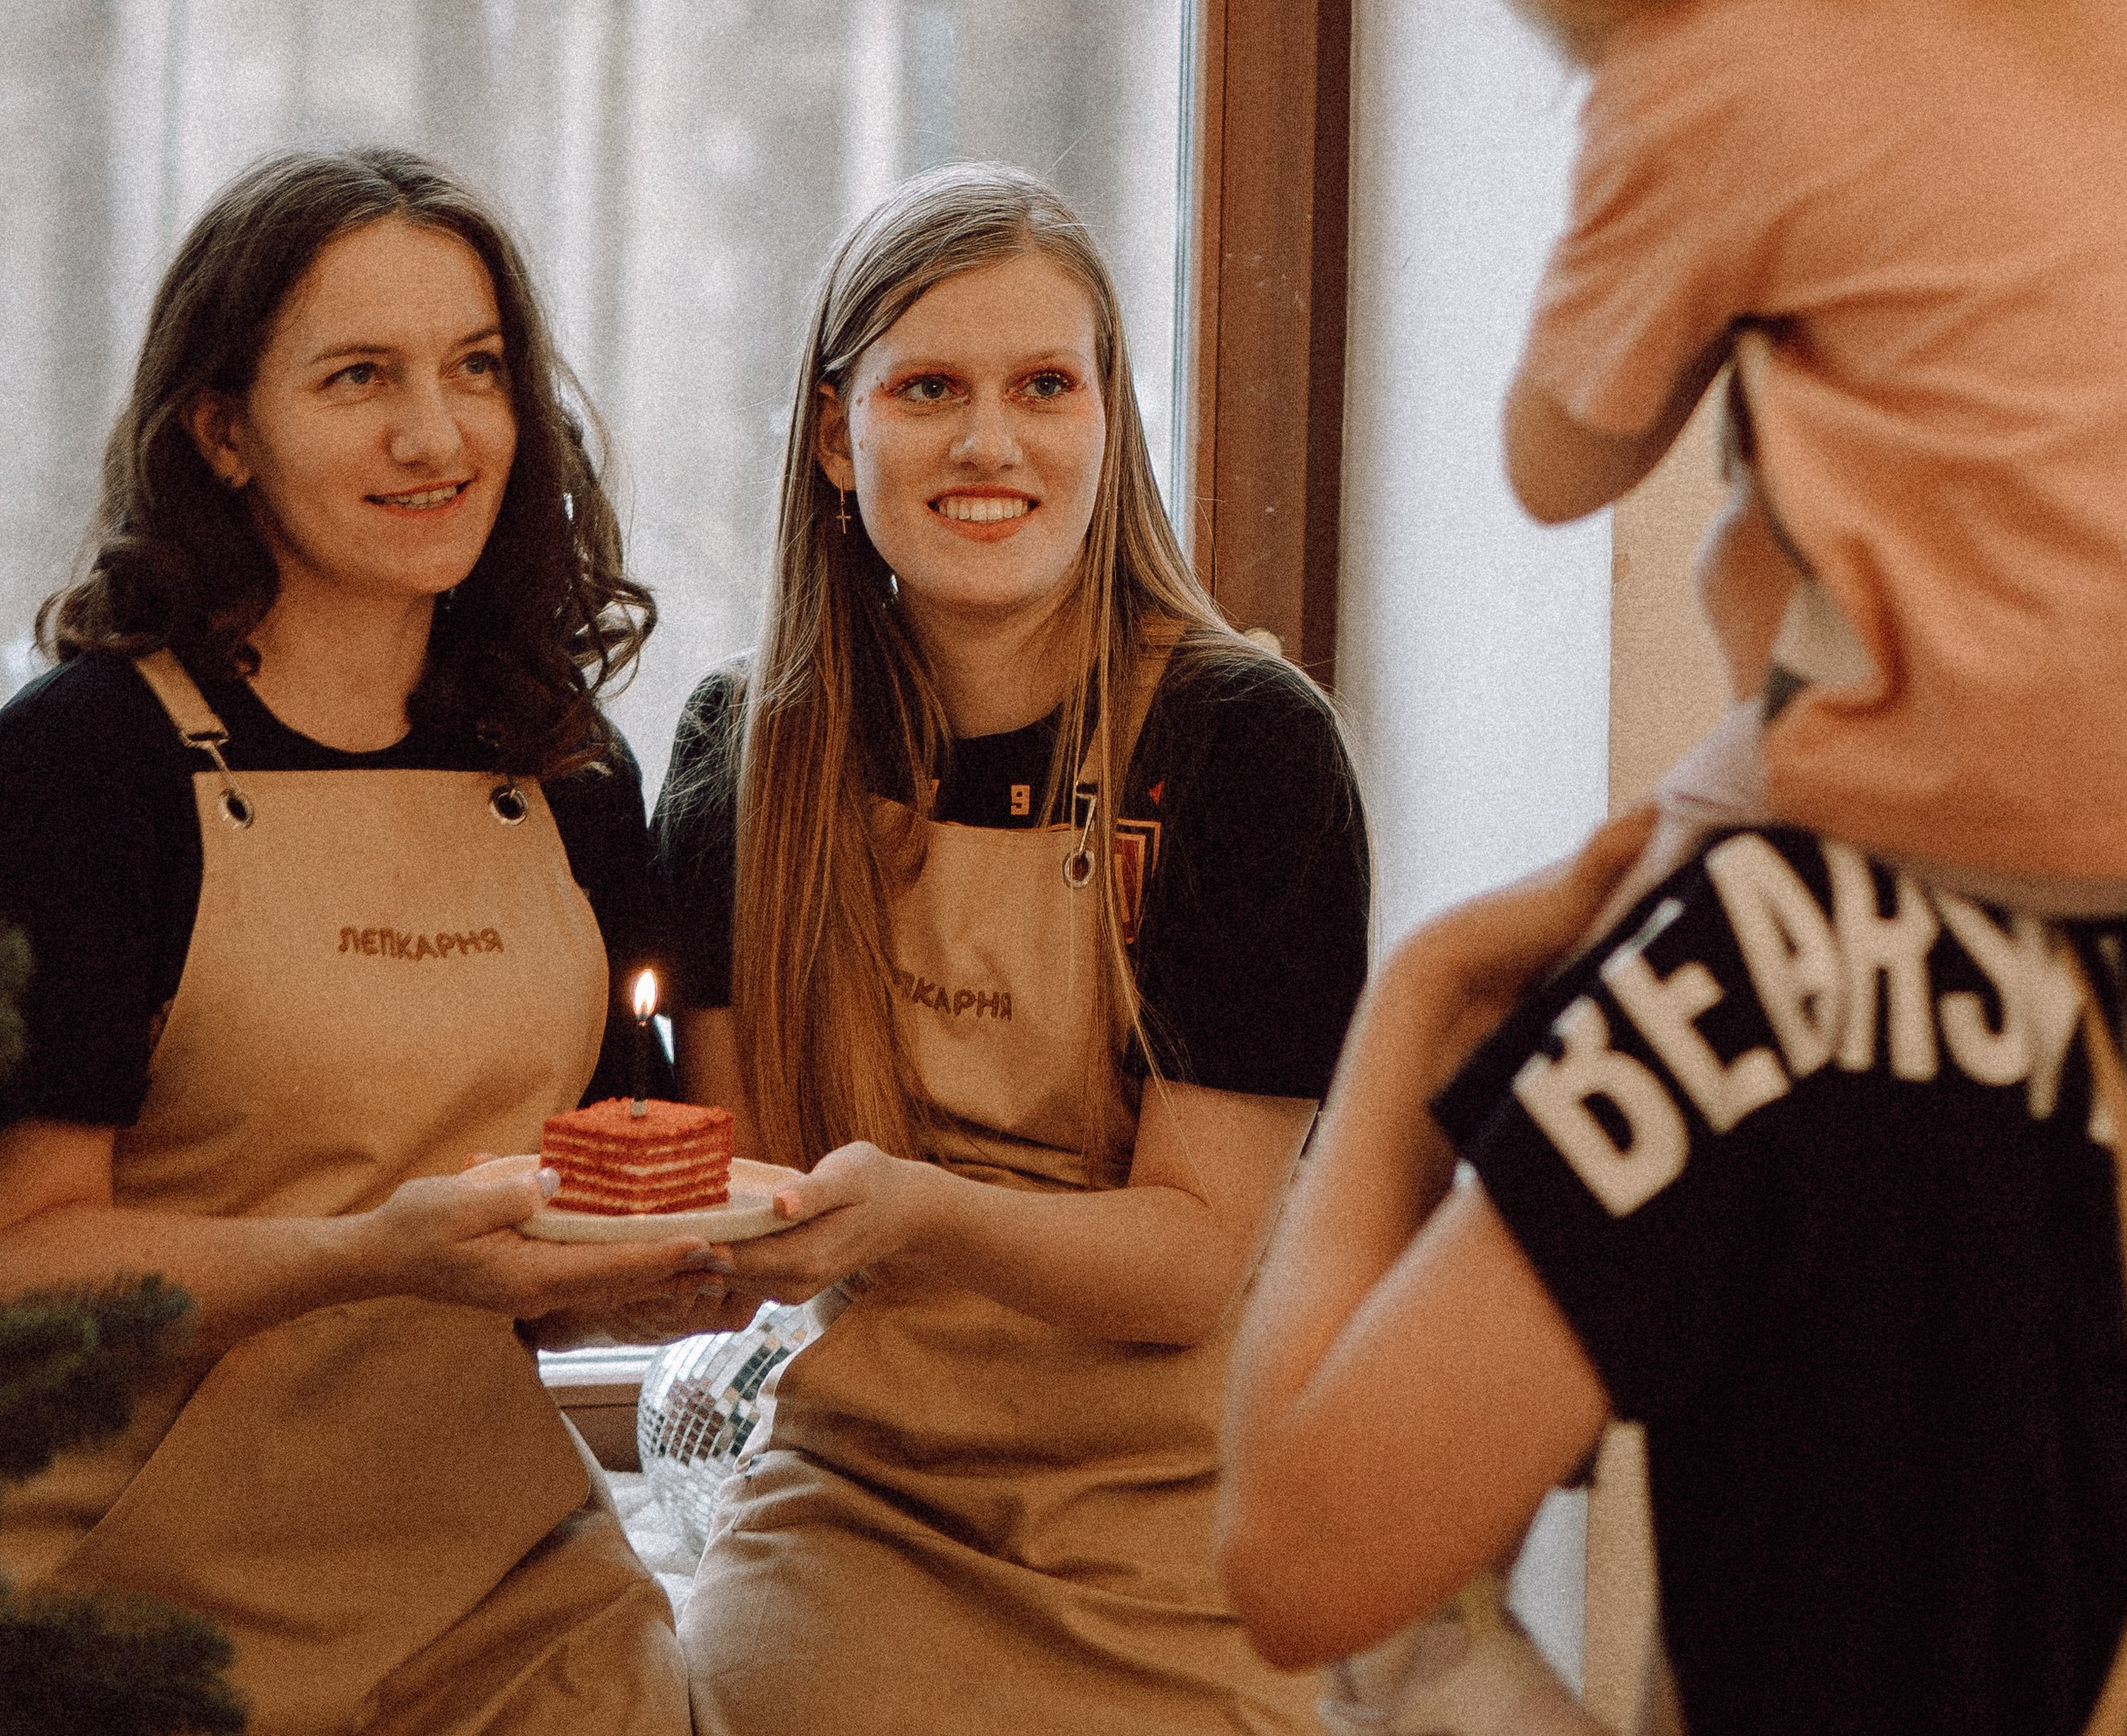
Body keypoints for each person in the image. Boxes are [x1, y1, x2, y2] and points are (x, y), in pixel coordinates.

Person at [1218, 0, 2127, 1733]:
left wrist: (1416, 1008)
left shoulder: (1772, 960)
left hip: (1924, 865)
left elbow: (1548, 457)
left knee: (1405, 1600)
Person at [0, 147, 718, 1736]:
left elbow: (560, 1239)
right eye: (358, 378)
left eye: (477, 370)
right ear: (223, 430)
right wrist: (361, 1254)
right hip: (127, 1612)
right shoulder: (85, 766)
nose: (436, 434)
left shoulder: (570, 771)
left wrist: (658, 1280)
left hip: (503, 1583)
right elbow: (24, 1264)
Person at [653, 163, 1372, 1736]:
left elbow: (1191, 1262)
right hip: (858, 1502)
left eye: (1045, 385)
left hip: (1179, 1529)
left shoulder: (1245, 747)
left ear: (1110, 421)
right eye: (930, 389)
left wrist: (907, 1210)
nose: (992, 443)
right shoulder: (740, 754)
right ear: (839, 437)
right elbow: (750, 1184)